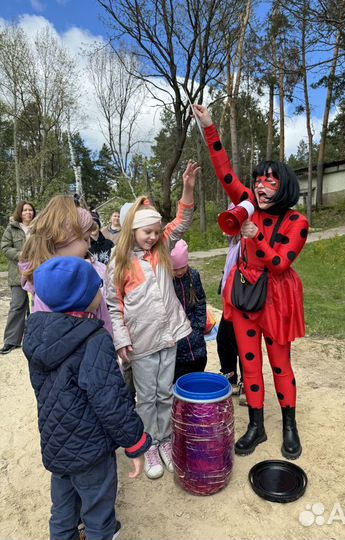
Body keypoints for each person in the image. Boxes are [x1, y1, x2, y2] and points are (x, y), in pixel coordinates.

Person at [193, 104, 308, 459]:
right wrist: (210, 128)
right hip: (243, 294)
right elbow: (224, 171)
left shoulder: (297, 222)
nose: (260, 186)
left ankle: (289, 425)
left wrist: (255, 236)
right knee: (249, 362)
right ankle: (256, 426)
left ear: (283, 185)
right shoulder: (246, 205)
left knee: (280, 364)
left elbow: (279, 262)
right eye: (257, 180)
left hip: (275, 299)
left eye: (269, 181)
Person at [23, 256, 151, 540]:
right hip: (91, 449)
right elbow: (110, 401)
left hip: (56, 444)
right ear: (82, 297)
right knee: (98, 516)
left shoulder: (37, 334)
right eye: (97, 288)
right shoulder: (94, 340)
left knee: (63, 511)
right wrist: (135, 442)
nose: (101, 293)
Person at [106, 160, 199, 479]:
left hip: (168, 336)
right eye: (148, 232)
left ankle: (167, 440)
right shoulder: (118, 263)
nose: (153, 237)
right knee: (146, 397)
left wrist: (187, 188)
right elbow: (114, 307)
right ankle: (151, 445)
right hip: (141, 343)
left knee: (164, 391)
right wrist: (121, 340)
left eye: (157, 232)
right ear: (133, 229)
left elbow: (183, 220)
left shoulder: (161, 249)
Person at [19, 195, 112, 335]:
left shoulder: (44, 281)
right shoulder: (50, 287)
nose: (89, 245)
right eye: (86, 239)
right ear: (64, 240)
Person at [0, 201, 36, 354]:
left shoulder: (38, 228)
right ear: (19, 213)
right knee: (17, 306)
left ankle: (35, 338)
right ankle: (11, 341)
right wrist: (20, 255)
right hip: (17, 273)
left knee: (37, 306)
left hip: (36, 272)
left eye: (30, 210)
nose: (28, 212)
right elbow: (5, 247)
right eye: (25, 210)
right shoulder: (12, 228)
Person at [171, 239, 208, 382]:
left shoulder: (193, 275)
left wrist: (199, 327)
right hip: (176, 335)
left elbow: (201, 301)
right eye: (175, 269)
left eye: (182, 267)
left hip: (194, 332)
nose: (179, 272)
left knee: (198, 365)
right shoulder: (165, 279)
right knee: (178, 375)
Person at [217, 230, 245, 403]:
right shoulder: (234, 242)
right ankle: (230, 377)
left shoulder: (244, 243)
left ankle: (248, 384)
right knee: (223, 339)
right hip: (229, 301)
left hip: (241, 301)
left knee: (241, 343)